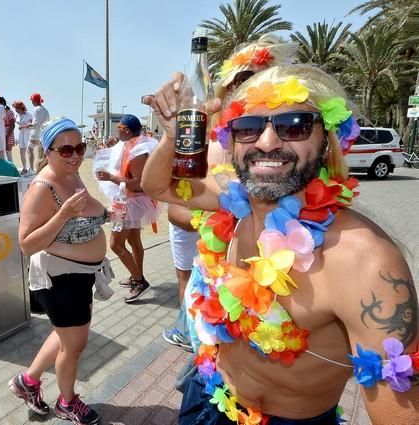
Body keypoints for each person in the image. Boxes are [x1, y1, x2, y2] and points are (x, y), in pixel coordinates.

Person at [142, 64, 418, 424]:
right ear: (233, 140)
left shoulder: (365, 262)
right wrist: (173, 135)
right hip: (209, 396)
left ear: (326, 140)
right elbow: (158, 186)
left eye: (294, 125)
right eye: (249, 128)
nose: (267, 141)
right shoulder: (234, 200)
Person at [162, 34, 298, 352]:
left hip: (281, 278)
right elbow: (174, 206)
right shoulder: (207, 140)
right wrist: (221, 216)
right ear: (228, 88)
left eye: (262, 77)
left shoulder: (297, 141)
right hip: (219, 273)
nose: (251, 87)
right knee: (215, 367)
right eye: (243, 79)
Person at [9, 118, 113, 425]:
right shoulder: (43, 187)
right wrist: (64, 213)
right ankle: (67, 402)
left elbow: (91, 209)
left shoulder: (73, 176)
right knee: (74, 346)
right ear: (49, 151)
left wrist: (109, 214)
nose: (75, 155)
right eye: (66, 149)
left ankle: (28, 382)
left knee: (66, 336)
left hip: (78, 277)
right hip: (59, 280)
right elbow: (26, 244)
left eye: (80, 147)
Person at [95, 114, 160, 303]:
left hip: (128, 203)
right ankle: (136, 275)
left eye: (120, 127)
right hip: (129, 201)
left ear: (127, 131)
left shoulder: (138, 153)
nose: (117, 129)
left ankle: (139, 281)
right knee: (134, 241)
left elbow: (138, 184)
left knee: (116, 244)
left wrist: (111, 178)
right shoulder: (132, 146)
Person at [28, 92, 50, 173]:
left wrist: (28, 124)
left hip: (36, 133)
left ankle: (31, 169)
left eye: (32, 101)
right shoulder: (45, 110)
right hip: (44, 134)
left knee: (30, 150)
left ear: (35, 101)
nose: (32, 102)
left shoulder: (36, 109)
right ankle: (42, 170)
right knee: (42, 154)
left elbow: (35, 124)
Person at [13, 100, 33, 175]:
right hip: (21, 134)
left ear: (20, 108)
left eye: (16, 108)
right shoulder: (17, 115)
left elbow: (32, 124)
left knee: (29, 151)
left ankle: (31, 168)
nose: (15, 110)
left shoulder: (29, 115)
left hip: (27, 133)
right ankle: (24, 168)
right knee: (22, 151)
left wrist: (23, 126)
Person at [0, 96, 16, 163]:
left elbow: (12, 125)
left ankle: (11, 170)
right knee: (3, 153)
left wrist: (7, 136)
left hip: (8, 134)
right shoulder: (1, 112)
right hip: (2, 133)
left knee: (8, 153)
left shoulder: (9, 112)